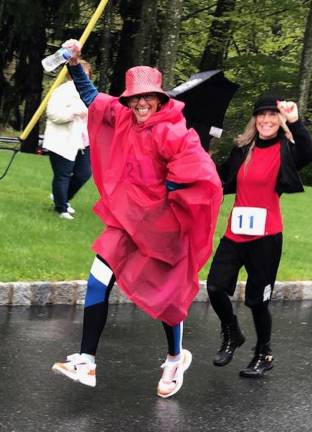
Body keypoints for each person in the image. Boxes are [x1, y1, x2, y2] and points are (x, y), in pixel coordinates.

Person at [51, 39, 223, 397]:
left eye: (148, 96)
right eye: (135, 97)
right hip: (126, 223)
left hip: (163, 230)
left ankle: (175, 358)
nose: (141, 102)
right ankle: (86, 360)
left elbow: (202, 174)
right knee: (98, 278)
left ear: (159, 98)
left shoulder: (173, 131)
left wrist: (174, 186)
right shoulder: (125, 117)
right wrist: (73, 62)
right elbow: (92, 97)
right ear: (128, 100)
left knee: (167, 298)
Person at [207, 94, 312, 378]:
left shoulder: (287, 149)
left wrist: (296, 121)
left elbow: (307, 150)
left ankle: (263, 353)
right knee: (215, 287)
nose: (266, 120)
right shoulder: (243, 148)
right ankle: (232, 334)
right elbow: (221, 178)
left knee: (257, 301)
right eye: (261, 115)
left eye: (271, 115)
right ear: (255, 119)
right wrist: (202, 163)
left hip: (266, 238)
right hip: (235, 233)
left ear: (278, 120)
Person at [43, 60, 92, 220]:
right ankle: (61, 208)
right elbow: (53, 114)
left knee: (84, 173)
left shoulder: (89, 93)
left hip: (83, 142)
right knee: (62, 174)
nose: (84, 76)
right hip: (62, 140)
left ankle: (61, 197)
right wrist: (75, 112)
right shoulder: (62, 91)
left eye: (86, 74)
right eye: (80, 73)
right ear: (71, 75)